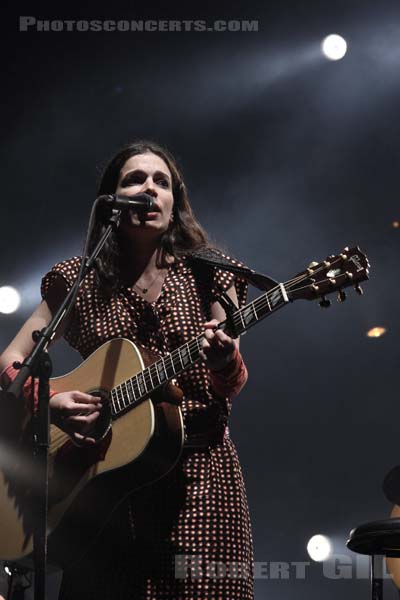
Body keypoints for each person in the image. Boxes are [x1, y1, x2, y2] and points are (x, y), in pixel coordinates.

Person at [0, 140, 253, 599]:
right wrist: (51, 402)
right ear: (112, 201)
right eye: (134, 180)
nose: (149, 189)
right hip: (103, 491)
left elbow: (231, 383)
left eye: (161, 182)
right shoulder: (81, 278)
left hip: (199, 481)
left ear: (176, 201)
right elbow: (13, 362)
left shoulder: (208, 273)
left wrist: (224, 360)